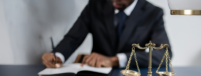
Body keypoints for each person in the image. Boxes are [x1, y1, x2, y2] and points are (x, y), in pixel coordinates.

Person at [42, 0, 172, 68]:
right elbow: (74, 37)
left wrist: (114, 60)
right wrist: (58, 55)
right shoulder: (95, 5)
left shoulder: (153, 13)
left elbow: (164, 54)